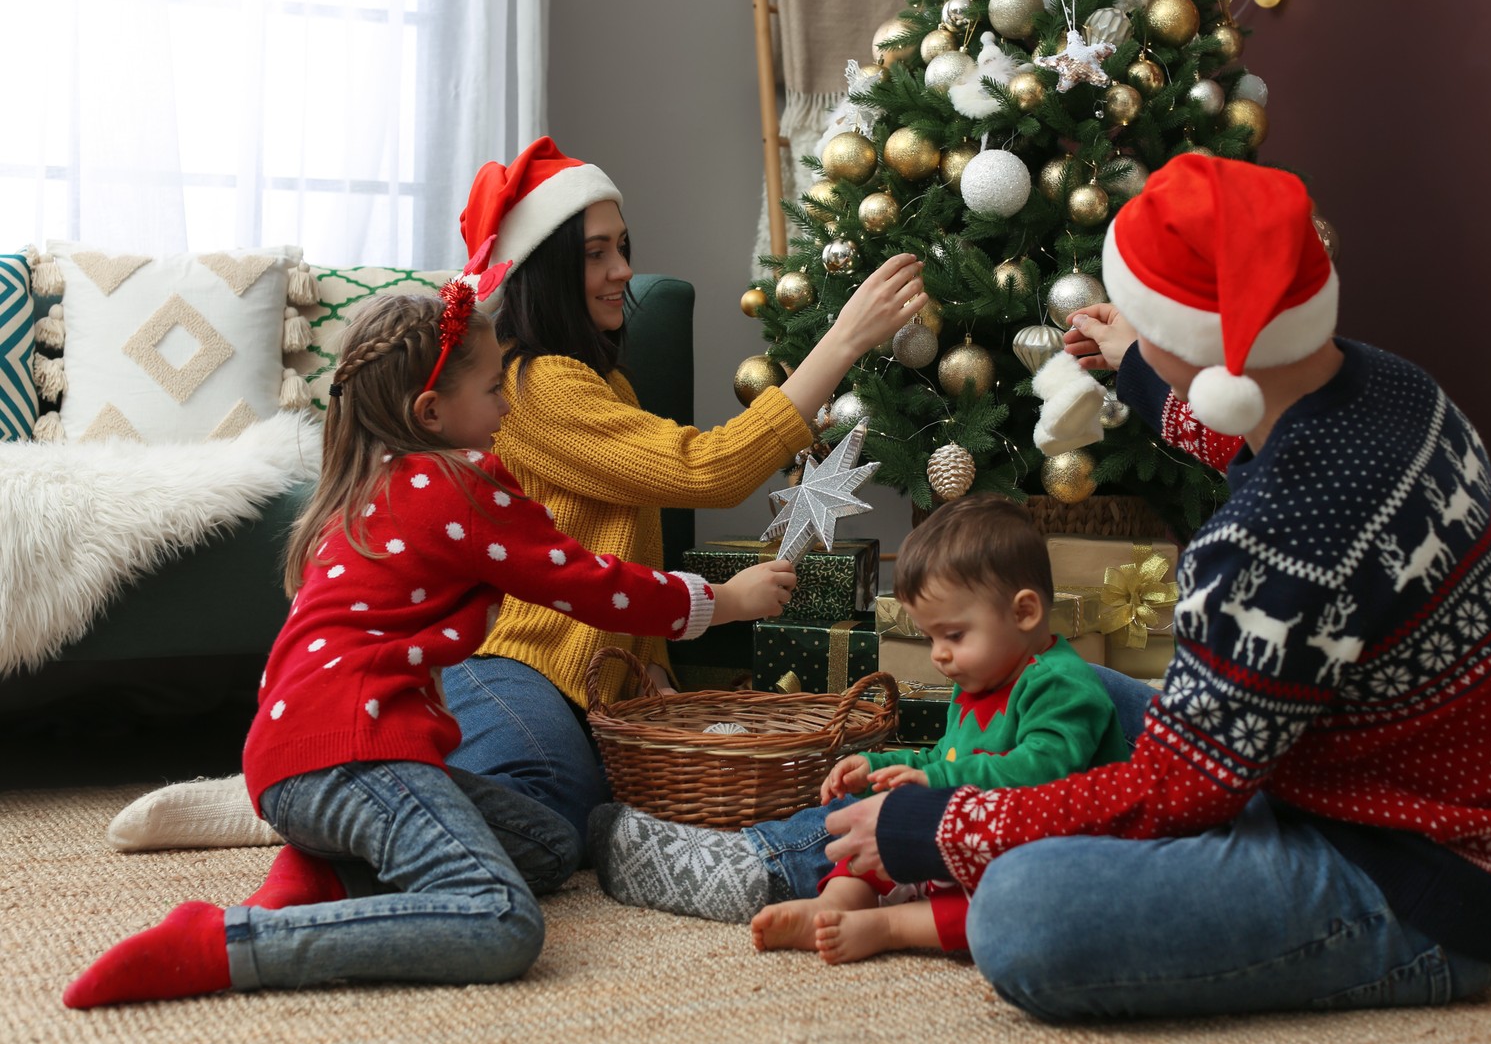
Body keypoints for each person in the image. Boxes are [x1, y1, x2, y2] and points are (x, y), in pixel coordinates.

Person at [594, 154, 1491, 1018]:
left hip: (1418, 878)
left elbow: (1178, 789)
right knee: (1061, 685)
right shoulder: (1390, 386)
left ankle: (858, 855)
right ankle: (797, 853)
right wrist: (1138, 371)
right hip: (1348, 769)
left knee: (1032, 911)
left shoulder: (1277, 540)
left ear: (1203, 343)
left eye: (1149, 323)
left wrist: (935, 828)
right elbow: (1248, 431)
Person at [100, 136, 926, 853]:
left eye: (622, 246)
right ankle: (318, 799)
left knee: (582, 814)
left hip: (581, 679)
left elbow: (614, 549)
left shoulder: (598, 382)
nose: (623, 271)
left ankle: (359, 791)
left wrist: (650, 670)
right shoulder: (539, 386)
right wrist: (844, 339)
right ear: (548, 270)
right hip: (509, 665)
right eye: (597, 253)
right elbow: (706, 470)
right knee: (549, 804)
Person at [61, 285, 796, 1008]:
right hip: (355, 751)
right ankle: (230, 944)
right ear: (432, 412)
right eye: (491, 386)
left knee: (546, 843)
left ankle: (324, 873)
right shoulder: (460, 483)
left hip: (291, 758)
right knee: (501, 921)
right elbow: (583, 580)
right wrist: (722, 601)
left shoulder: (365, 488)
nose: (508, 402)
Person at [747, 493, 1126, 964]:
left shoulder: (1063, 687)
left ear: (1024, 612)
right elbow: (941, 758)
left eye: (954, 635)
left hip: (1047, 849)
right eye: (931, 638)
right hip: (963, 837)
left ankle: (887, 926)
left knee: (1005, 902)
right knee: (873, 842)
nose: (938, 655)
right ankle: (832, 907)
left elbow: (1041, 772)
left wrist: (936, 784)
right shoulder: (979, 682)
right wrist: (880, 767)